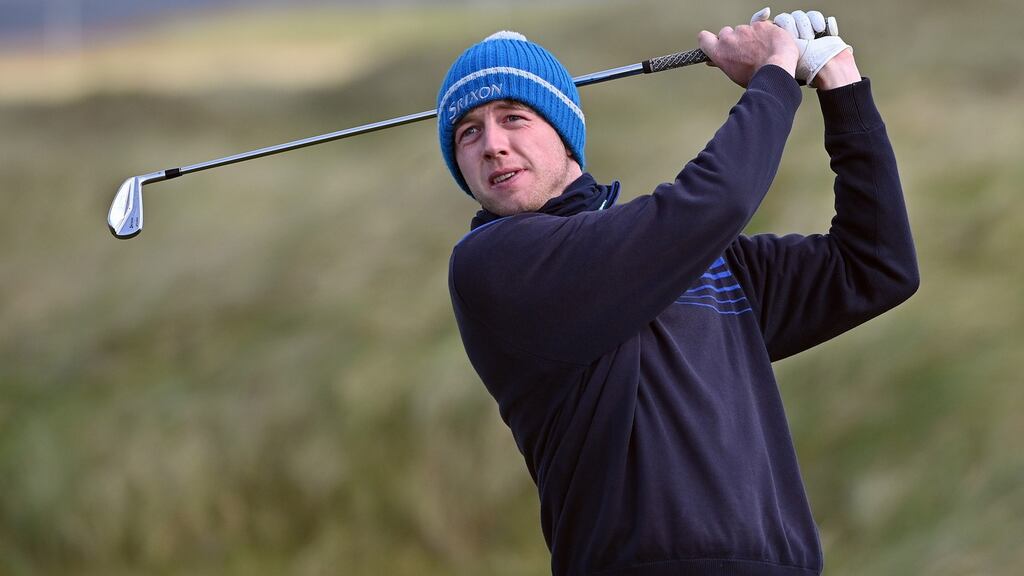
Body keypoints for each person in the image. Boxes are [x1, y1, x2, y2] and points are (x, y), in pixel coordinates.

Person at [437, 7, 918, 576]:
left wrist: (840, 82)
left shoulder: (707, 261)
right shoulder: (493, 265)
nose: (492, 144)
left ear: (563, 131)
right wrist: (774, 75)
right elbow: (713, 203)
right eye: (469, 132)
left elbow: (875, 265)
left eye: (514, 117)